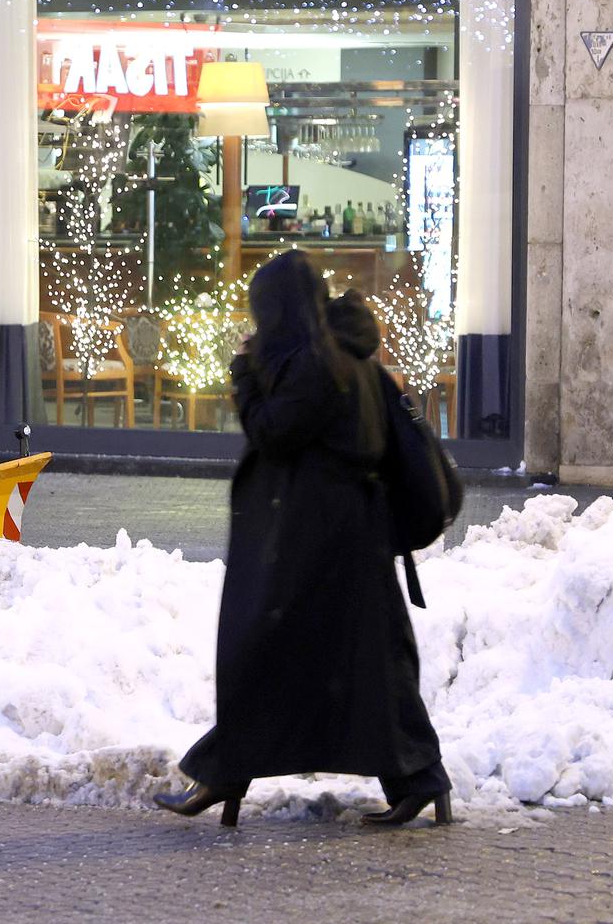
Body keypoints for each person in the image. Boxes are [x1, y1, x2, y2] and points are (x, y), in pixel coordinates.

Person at [153, 251, 452, 828]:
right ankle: (418, 779)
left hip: (316, 541)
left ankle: (224, 775)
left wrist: (243, 373)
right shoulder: (349, 358)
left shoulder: (318, 365)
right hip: (345, 537)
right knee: (369, 667)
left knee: (264, 654)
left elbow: (273, 432)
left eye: (263, 311)